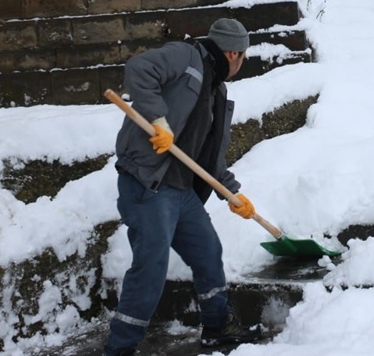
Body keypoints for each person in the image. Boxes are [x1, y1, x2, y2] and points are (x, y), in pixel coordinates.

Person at [103, 18, 263, 355]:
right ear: (234, 53)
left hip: (181, 191)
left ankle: (217, 327)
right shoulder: (185, 57)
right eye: (243, 57)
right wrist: (158, 120)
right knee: (151, 266)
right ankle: (120, 349)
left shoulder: (217, 90)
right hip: (149, 184)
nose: (242, 63)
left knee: (207, 253)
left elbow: (208, 158)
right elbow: (139, 68)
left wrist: (232, 193)